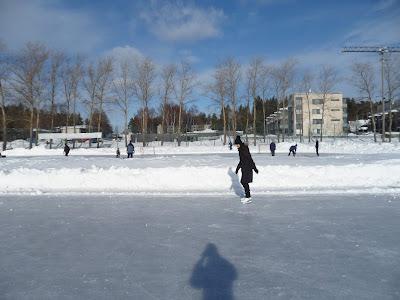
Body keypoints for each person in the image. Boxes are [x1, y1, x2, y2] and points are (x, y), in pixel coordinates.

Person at [234, 135, 258, 204]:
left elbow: (250, 158)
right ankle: (248, 196)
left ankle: (248, 197)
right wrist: (237, 169)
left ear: (239, 144)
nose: (236, 146)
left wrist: (254, 168)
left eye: (237, 144)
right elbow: (241, 160)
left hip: (247, 168)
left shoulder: (244, 150)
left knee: (244, 182)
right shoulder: (241, 150)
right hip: (244, 168)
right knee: (244, 182)